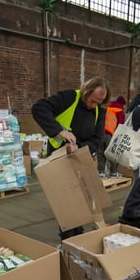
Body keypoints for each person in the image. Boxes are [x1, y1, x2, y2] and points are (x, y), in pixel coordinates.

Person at [31, 76, 109, 239]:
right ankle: (67, 238)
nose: (93, 105)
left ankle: (78, 234)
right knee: (65, 201)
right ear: (86, 91)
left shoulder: (99, 110)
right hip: (59, 159)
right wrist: (60, 131)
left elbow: (98, 139)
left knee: (81, 199)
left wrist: (78, 147)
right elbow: (38, 108)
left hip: (81, 158)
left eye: (98, 103)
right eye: (92, 100)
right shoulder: (69, 98)